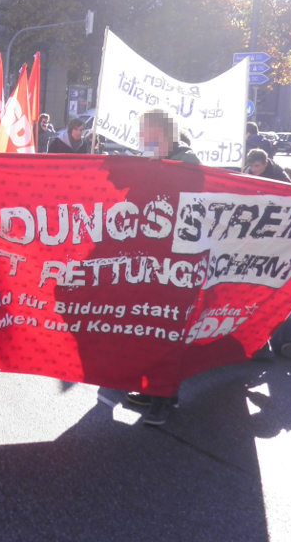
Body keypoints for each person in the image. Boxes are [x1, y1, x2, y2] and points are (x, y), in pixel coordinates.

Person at [123, 109, 198, 426]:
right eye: (142, 134)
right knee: (149, 329)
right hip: (153, 258)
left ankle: (162, 402)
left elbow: (185, 202)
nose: (143, 140)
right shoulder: (155, 160)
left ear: (165, 135)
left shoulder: (187, 162)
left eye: (149, 134)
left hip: (176, 262)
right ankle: (157, 391)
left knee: (165, 331)